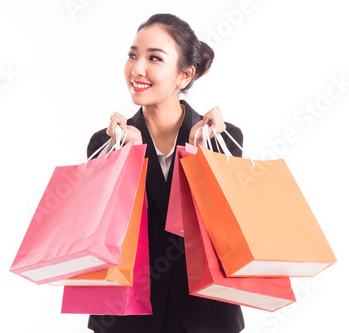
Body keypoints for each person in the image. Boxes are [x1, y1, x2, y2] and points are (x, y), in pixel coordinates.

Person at [85, 14, 245, 333]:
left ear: (184, 75)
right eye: (133, 55)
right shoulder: (105, 143)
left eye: (154, 58)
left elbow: (219, 229)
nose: (137, 69)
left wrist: (198, 152)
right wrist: (130, 155)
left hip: (205, 314)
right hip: (127, 316)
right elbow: (103, 233)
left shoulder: (222, 139)